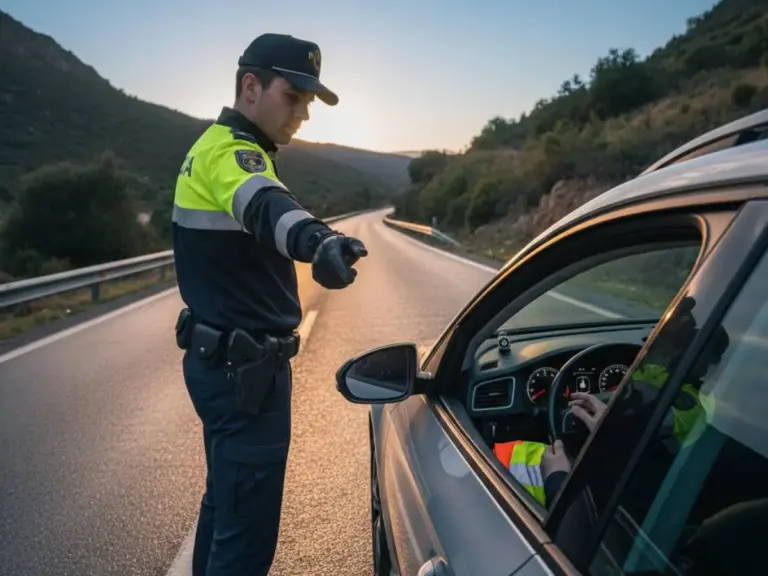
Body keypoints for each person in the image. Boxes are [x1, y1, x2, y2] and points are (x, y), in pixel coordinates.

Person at [171, 33, 368, 576]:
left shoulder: (214, 149)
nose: (303, 114)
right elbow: (267, 206)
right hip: (244, 377)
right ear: (250, 86)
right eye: (294, 96)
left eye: (308, 103)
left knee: (224, 507)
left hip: (227, 367)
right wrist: (319, 242)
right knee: (245, 539)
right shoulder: (230, 152)